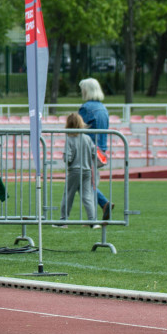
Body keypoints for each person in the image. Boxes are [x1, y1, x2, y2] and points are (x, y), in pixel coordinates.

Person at [78, 77, 112, 221]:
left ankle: (103, 204)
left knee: (83, 183)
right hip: (100, 150)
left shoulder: (86, 108)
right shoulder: (103, 109)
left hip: (88, 149)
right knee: (88, 181)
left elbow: (78, 128)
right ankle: (93, 216)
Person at [59, 113, 97, 227]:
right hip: (86, 170)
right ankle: (92, 221)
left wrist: (66, 157)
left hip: (74, 171)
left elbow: (68, 158)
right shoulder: (87, 138)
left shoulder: (70, 139)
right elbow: (94, 153)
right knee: (87, 196)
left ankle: (63, 220)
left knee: (68, 195)